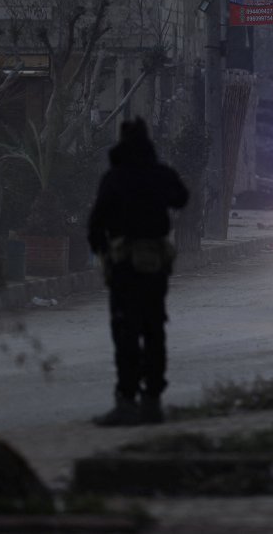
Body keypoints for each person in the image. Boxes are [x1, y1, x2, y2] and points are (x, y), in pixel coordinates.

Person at [87, 118, 189, 426]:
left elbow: (95, 224)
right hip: (155, 265)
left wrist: (103, 252)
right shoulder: (160, 174)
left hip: (124, 266)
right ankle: (152, 401)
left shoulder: (114, 178)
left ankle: (127, 402)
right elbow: (181, 197)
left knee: (126, 332)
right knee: (153, 329)